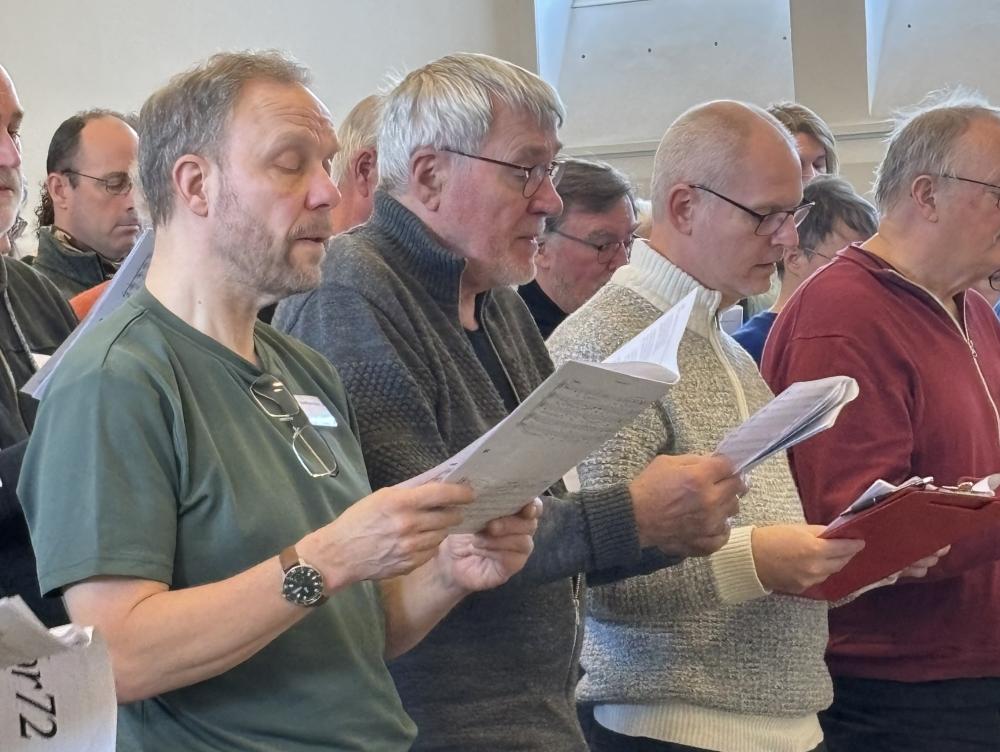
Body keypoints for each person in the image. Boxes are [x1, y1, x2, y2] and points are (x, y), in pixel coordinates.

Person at [19, 50, 538, 752]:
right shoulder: (115, 378)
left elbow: (352, 633)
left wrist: (447, 572)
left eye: (326, 164)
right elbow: (120, 655)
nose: (327, 192)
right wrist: (326, 557)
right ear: (196, 184)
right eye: (291, 164)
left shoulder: (304, 369)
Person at [274, 52, 744, 751]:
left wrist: (669, 527)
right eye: (526, 170)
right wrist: (634, 516)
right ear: (429, 175)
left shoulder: (497, 302)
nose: (549, 200)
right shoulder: (352, 289)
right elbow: (434, 533)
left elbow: (533, 529)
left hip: (534, 714)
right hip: (435, 726)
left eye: (552, 169)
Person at [548, 100, 872, 752]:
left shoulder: (727, 345)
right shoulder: (604, 344)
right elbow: (588, 580)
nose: (786, 239)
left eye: (794, 214)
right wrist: (760, 561)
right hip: (672, 726)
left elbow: (758, 530)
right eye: (766, 215)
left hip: (782, 722)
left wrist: (854, 554)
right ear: (685, 205)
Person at [763, 91, 1000, 751]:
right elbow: (860, 530)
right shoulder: (844, 315)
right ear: (927, 194)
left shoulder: (971, 308)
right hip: (899, 687)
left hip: (968, 668)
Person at [733, 175, 877, 364]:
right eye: (846, 262)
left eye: (868, 264)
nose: (864, 279)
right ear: (795, 259)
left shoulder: (853, 340)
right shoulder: (748, 348)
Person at [518, 157, 635, 337]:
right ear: (540, 247)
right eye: (604, 245)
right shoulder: (517, 340)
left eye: (628, 242)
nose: (623, 264)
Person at [31, 110, 141, 297]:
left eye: (140, 184)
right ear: (60, 190)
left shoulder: (164, 285)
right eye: (114, 184)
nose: (134, 202)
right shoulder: (31, 301)